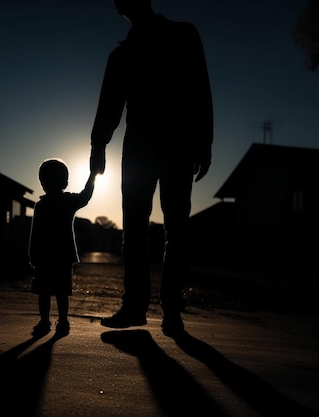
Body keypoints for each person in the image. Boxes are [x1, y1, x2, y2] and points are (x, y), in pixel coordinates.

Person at [90, 0, 213, 337]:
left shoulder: (183, 35)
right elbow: (110, 103)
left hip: (174, 146)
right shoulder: (122, 55)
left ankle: (170, 310)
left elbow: (200, 90)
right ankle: (137, 307)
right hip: (143, 151)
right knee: (136, 232)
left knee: (175, 230)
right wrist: (98, 145)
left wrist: (205, 143)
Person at [28, 158, 97, 337]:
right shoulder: (67, 201)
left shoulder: (42, 205)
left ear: (42, 182)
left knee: (46, 292)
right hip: (62, 255)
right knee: (61, 291)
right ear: (65, 182)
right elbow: (86, 195)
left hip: (46, 256)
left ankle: (46, 321)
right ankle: (62, 321)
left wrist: (32, 254)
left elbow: (35, 234)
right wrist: (93, 176)